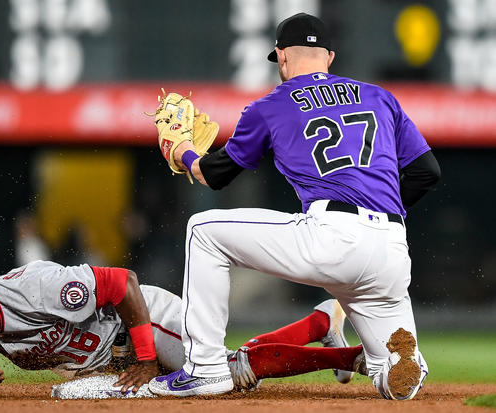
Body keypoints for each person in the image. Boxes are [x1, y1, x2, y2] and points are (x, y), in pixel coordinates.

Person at [148, 13, 440, 400]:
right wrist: (378, 215)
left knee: (204, 231)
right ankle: (401, 365)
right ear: (330, 56)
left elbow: (213, 175)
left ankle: (205, 368)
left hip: (330, 237)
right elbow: (427, 172)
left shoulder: (272, 106)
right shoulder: (380, 97)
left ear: (281, 57)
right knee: (396, 386)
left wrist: (183, 152)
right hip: (390, 247)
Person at [0, 259, 364, 395]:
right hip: (115, 352)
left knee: (228, 377)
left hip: (145, 322)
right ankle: (320, 321)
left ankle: (352, 357)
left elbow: (122, 282)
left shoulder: (34, 290)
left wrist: (148, 360)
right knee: (229, 367)